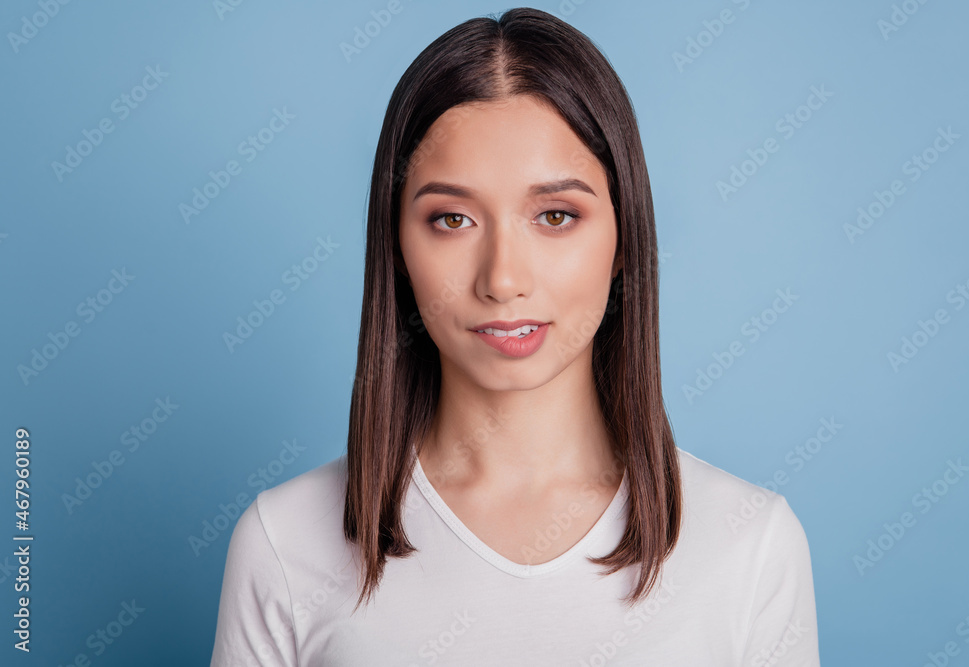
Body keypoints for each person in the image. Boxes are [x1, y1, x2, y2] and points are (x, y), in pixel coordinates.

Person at [210, 7, 821, 666]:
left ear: (624, 237)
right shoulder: (285, 542)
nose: (502, 279)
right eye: (452, 219)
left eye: (555, 215)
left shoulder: (750, 546)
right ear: (397, 246)